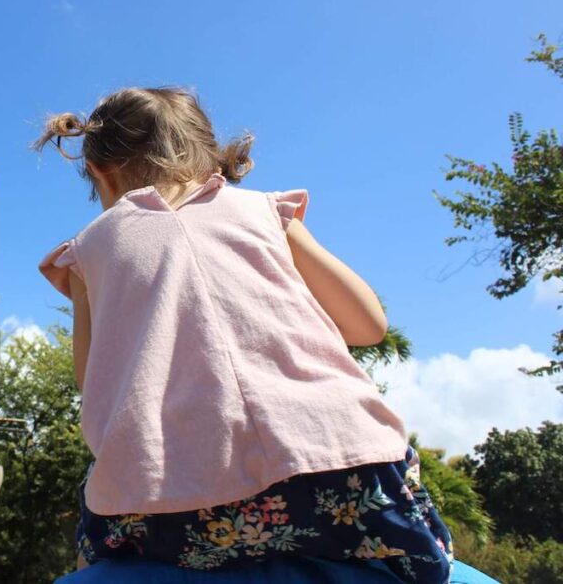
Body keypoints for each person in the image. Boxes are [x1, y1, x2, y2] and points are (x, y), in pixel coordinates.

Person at [35, 88, 453, 583]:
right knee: (426, 560)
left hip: (164, 505)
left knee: (97, 557)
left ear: (102, 171)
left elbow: (92, 381)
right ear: (211, 155)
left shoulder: (86, 253)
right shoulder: (267, 212)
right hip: (344, 472)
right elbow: (367, 324)